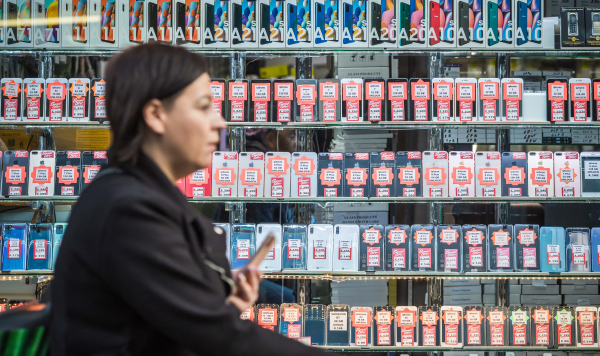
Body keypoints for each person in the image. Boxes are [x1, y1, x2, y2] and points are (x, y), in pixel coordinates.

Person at [50, 43, 326, 356]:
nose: (220, 123)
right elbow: (223, 338)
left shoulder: (135, 194)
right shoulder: (130, 211)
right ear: (156, 115)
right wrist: (213, 314)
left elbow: (156, 322)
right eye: (204, 106)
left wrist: (215, 295)